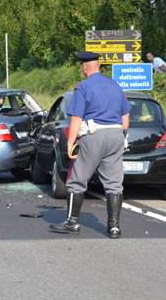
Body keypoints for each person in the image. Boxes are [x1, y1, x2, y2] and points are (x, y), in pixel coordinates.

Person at [50, 51, 131, 239]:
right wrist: (120, 136)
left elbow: (77, 118)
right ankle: (114, 227)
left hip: (94, 135)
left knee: (78, 179)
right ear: (99, 67)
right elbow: (125, 117)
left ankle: (72, 222)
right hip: (116, 134)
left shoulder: (83, 88)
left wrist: (71, 143)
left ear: (84, 68)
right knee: (113, 183)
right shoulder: (115, 86)